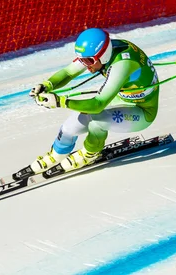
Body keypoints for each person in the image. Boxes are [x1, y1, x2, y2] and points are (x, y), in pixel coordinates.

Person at [29, 27, 160, 173]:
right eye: (81, 60)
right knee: (68, 128)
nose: (85, 65)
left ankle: (90, 153)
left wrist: (61, 102)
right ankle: (56, 154)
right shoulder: (99, 53)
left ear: (103, 56)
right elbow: (68, 72)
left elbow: (97, 104)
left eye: (88, 61)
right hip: (119, 99)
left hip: (142, 111)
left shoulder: (122, 65)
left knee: (98, 121)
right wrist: (47, 85)